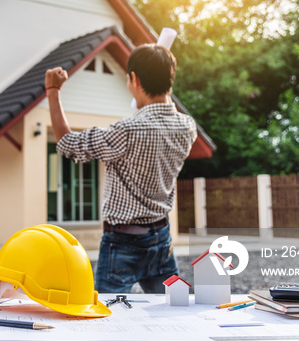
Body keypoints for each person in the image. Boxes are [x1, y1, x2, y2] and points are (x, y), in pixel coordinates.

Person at [44, 44, 197, 293]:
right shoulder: (187, 127)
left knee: (107, 318)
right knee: (169, 309)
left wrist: (53, 91)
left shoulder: (127, 131)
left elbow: (68, 145)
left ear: (134, 79)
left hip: (123, 241)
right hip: (161, 237)